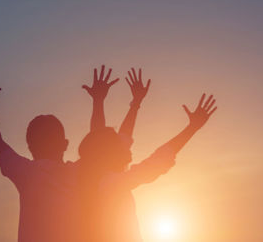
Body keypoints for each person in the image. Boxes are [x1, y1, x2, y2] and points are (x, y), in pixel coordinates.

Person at [79, 66, 217, 241]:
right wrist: (191, 129)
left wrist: (130, 102)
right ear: (110, 154)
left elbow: (110, 140)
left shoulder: (98, 175)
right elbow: (155, 163)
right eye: (118, 143)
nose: (126, 143)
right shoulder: (109, 184)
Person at [0, 71, 77, 242]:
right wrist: (99, 102)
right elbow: (100, 147)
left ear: (30, 147)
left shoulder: (26, 172)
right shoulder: (78, 173)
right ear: (65, 144)